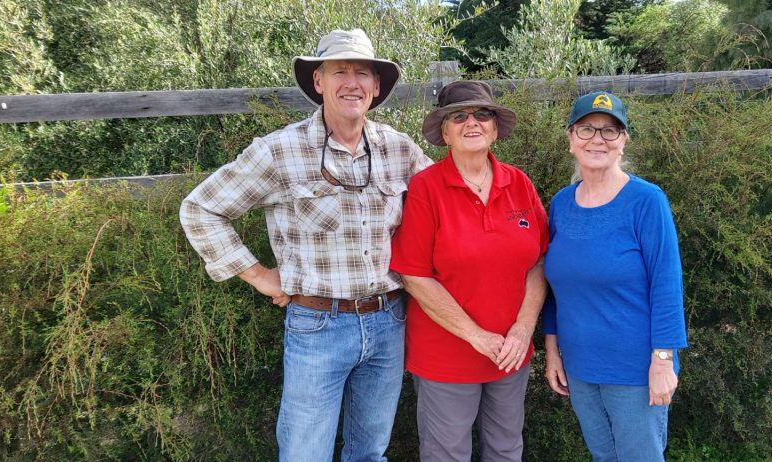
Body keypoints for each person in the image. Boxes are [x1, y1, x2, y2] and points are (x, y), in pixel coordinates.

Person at [179, 29, 433, 462]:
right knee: (304, 454)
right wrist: (259, 276)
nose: (352, 83)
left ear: (376, 86)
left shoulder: (399, 149)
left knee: (370, 453)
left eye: (362, 73)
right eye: (339, 72)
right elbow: (201, 209)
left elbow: (443, 205)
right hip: (317, 325)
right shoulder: (279, 151)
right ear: (318, 81)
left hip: (389, 320)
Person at [388, 81, 548, 462]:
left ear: (494, 128)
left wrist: (523, 329)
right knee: (447, 455)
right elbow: (414, 276)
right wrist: (477, 336)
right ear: (445, 133)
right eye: (458, 117)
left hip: (510, 355)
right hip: (446, 358)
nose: (471, 123)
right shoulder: (426, 188)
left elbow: (540, 260)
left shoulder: (519, 183)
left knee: (506, 450)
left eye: (482, 114)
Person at [542, 91, 688, 462]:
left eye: (610, 130)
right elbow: (554, 289)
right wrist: (552, 352)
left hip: (635, 369)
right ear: (571, 139)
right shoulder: (561, 204)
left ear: (623, 141)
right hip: (580, 366)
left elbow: (667, 285)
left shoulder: (647, 201)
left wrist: (663, 359)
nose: (598, 139)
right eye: (587, 129)